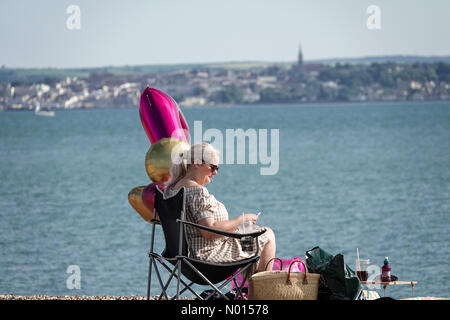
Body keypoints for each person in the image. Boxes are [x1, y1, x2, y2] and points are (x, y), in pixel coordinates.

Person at [163, 143, 276, 272]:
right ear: (197, 163)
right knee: (267, 234)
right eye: (213, 167)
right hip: (207, 258)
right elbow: (209, 232)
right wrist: (241, 219)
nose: (215, 173)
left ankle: (250, 289)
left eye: (217, 168)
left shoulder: (171, 191)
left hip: (183, 256)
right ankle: (259, 290)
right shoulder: (197, 192)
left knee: (250, 233)